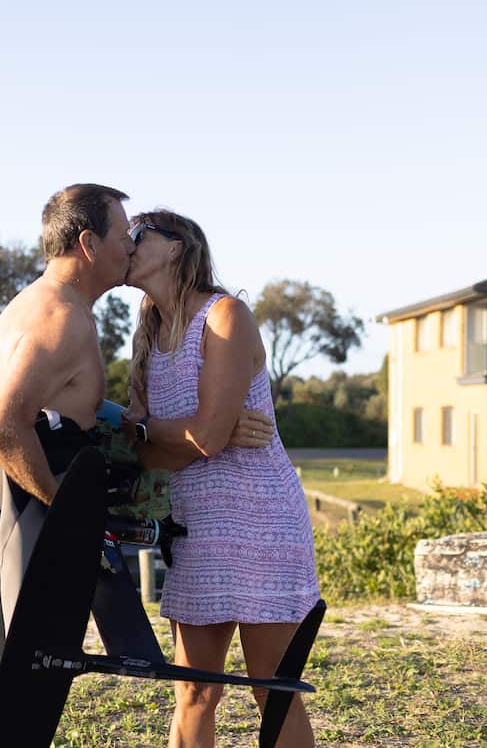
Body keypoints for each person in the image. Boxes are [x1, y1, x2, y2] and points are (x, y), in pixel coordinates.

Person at [0, 186, 279, 748]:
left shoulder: (65, 308)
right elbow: (1, 426)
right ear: (89, 243)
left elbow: (102, 422)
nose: (129, 242)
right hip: (14, 506)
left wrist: (205, 427)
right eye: (125, 232)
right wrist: (63, 509)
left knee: (3, 678)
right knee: (20, 693)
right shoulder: (59, 317)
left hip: (5, 500)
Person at [121, 208, 320, 748]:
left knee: (271, 687)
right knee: (193, 691)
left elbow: (198, 438)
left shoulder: (226, 315)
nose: (127, 243)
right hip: (197, 530)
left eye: (139, 235)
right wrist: (168, 433)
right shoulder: (147, 334)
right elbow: (149, 459)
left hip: (261, 522)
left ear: (177, 248)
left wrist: (152, 428)